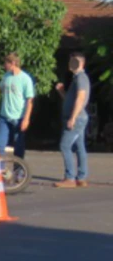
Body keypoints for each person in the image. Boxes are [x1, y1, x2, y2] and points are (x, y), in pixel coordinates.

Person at [0, 53, 35, 159]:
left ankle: (19, 172)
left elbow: (30, 100)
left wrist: (26, 119)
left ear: (13, 63)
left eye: (6, 63)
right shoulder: (6, 76)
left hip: (18, 117)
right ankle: (0, 171)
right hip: (4, 116)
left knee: (18, 147)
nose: (4, 66)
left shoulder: (25, 79)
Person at [54, 52, 90, 188]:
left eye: (73, 62)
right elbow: (71, 100)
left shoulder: (81, 78)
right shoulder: (77, 79)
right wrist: (62, 92)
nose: (70, 64)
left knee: (65, 145)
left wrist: (72, 118)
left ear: (80, 63)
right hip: (78, 117)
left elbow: (80, 99)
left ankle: (70, 178)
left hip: (77, 118)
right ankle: (81, 177)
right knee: (80, 147)